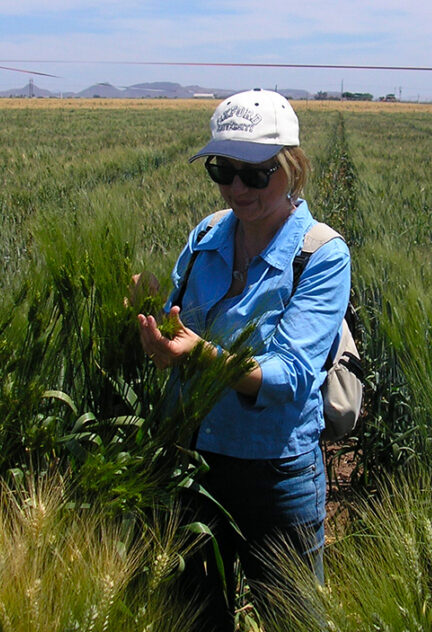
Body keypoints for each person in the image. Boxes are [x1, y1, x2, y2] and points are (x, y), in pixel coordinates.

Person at [135, 88, 351, 630]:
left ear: (292, 168)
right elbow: (178, 331)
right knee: (194, 617)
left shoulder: (321, 255)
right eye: (223, 170)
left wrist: (201, 353)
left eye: (256, 174)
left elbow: (290, 377)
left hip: (275, 476)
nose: (237, 188)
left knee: (291, 620)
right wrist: (158, 334)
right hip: (194, 462)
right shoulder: (206, 234)